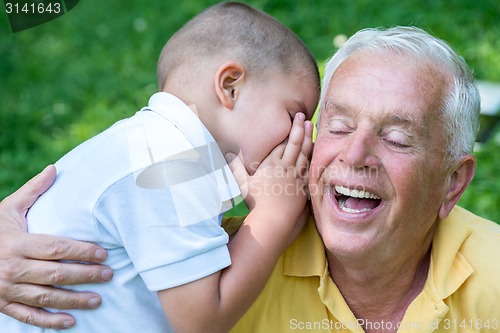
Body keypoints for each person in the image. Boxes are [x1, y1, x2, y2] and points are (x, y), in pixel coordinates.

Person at [2, 26, 499, 333]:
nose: (354, 154)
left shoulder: (492, 278)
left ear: (453, 183)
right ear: (229, 86)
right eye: (337, 126)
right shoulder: (222, 247)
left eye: (396, 138)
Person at [0, 2, 319, 333]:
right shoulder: (169, 160)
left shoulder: (160, 148)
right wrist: (272, 216)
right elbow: (202, 321)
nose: (298, 139)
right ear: (230, 86)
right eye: (293, 116)